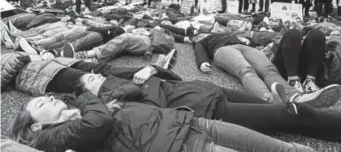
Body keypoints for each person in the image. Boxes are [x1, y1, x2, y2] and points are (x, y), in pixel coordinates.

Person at [73, 69, 341, 141]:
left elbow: (167, 77)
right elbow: (156, 108)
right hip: (210, 111)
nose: (97, 77)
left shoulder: (124, 83)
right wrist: (148, 82)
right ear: (91, 94)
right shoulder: (116, 101)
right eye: (91, 80)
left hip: (209, 90)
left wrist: (151, 69)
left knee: (288, 118)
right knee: (290, 114)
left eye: (95, 74)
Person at [11, 93, 317, 152]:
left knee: (282, 148)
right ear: (35, 126)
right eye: (41, 104)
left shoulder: (80, 110)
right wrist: (87, 94)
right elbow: (101, 122)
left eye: (49, 97)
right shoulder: (54, 140)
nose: (50, 100)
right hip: (182, 145)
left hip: (190, 123)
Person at [194, 32, 341, 107]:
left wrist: (249, 41)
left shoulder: (229, 34)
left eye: (201, 33)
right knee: (245, 69)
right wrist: (202, 62)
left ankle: (294, 97)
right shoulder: (203, 41)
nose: (201, 34)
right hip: (222, 51)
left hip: (246, 47)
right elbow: (199, 50)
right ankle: (269, 99)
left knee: (269, 70)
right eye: (198, 35)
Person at [271, 29, 326, 94]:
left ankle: (310, 82)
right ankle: (292, 81)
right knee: (293, 33)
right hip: (284, 68)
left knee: (317, 34)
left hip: (307, 72)